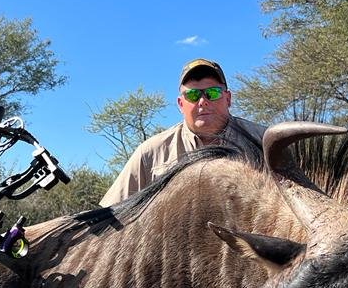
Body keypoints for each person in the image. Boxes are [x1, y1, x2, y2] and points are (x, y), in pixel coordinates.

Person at [99, 58, 266, 206]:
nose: (202, 101)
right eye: (193, 95)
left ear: (228, 99)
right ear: (180, 104)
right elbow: (113, 214)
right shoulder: (150, 152)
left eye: (212, 93)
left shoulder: (263, 141)